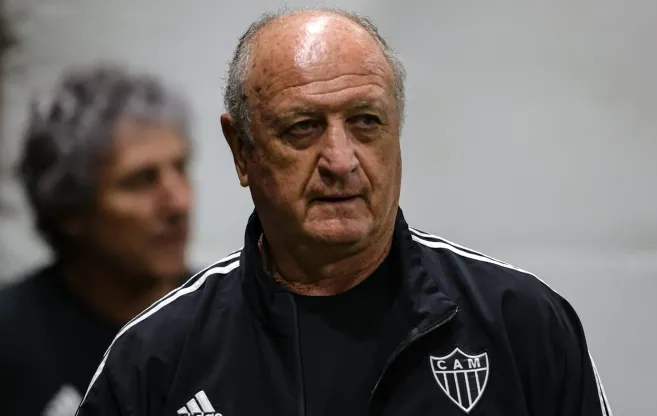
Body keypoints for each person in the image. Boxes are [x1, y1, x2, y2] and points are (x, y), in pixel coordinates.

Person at [76, 7, 612, 416]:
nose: (340, 161)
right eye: (303, 128)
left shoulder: (522, 325)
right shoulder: (154, 361)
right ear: (242, 150)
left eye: (365, 122)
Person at [0, 65, 194, 416]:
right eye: (141, 180)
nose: (179, 202)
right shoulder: (11, 340)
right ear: (70, 209)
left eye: (180, 168)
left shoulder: (229, 315)